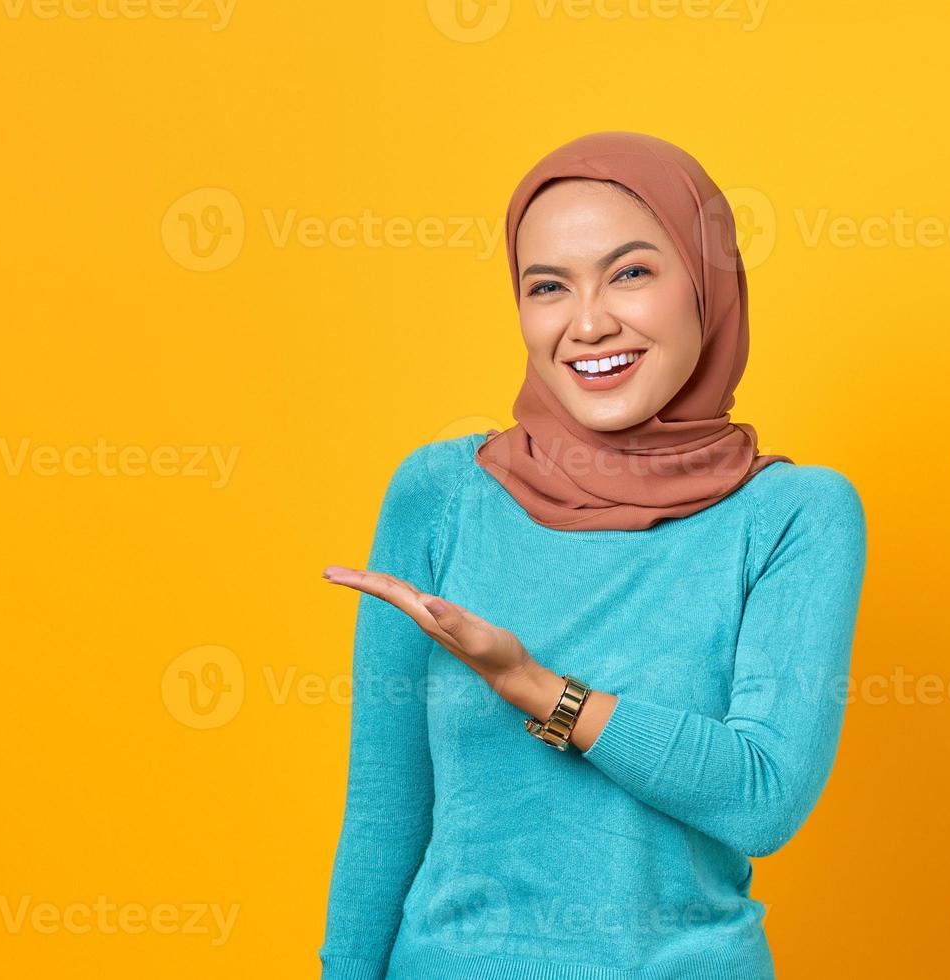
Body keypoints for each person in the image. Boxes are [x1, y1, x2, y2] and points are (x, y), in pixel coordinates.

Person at [317, 131, 867, 980]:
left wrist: (536, 687)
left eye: (631, 273)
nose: (587, 322)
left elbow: (761, 796)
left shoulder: (794, 515)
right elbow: (384, 814)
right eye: (548, 287)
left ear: (706, 285)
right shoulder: (442, 495)